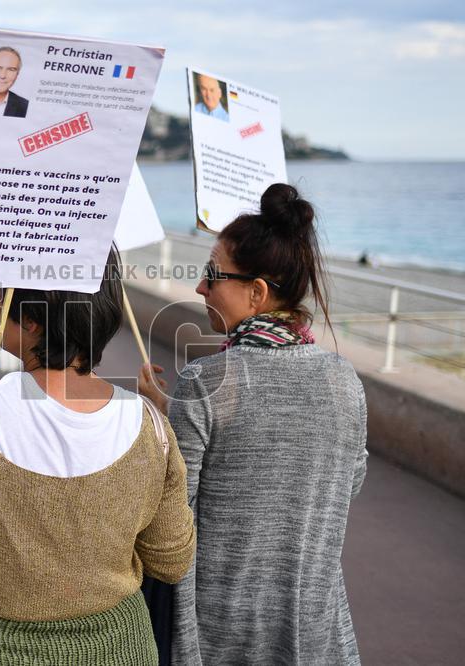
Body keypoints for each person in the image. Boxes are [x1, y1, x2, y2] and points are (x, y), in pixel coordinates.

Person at [0, 248, 195, 665]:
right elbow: (172, 560)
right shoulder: (150, 425)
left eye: (5, 294)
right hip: (114, 649)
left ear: (32, 322)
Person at [140, 184, 368, 665]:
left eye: (212, 275)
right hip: (313, 627)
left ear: (257, 292)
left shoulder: (207, 380)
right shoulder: (343, 380)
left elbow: (171, 510)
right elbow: (341, 485)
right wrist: (171, 409)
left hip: (220, 632)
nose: (201, 287)